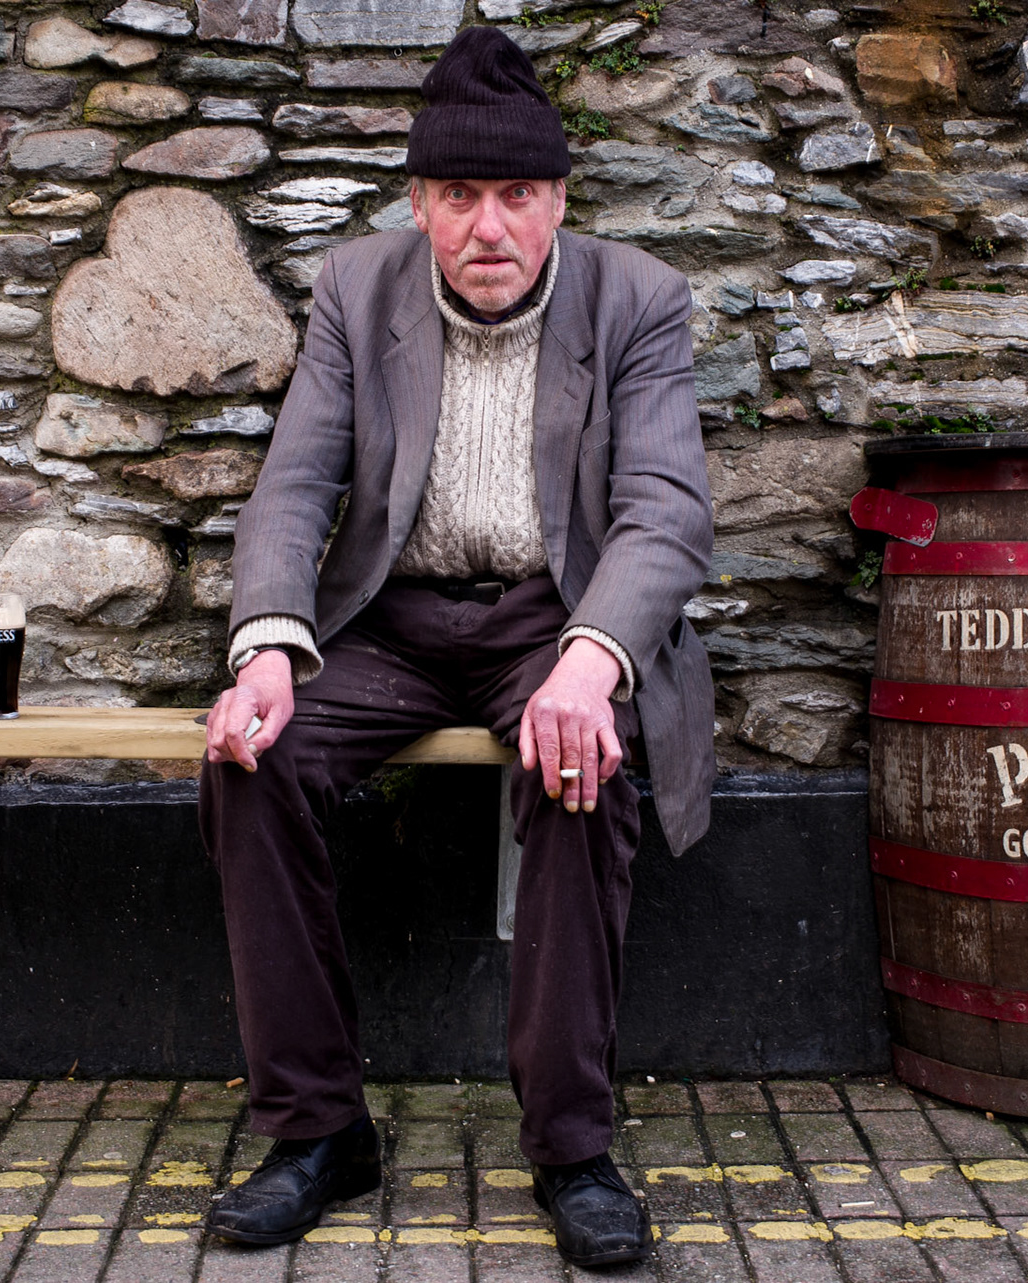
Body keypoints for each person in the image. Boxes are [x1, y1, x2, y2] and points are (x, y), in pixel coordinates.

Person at [196, 24, 714, 1269]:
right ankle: (318, 1131)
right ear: (419, 203)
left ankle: (572, 1147)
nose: (492, 226)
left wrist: (591, 663)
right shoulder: (356, 287)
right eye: (461, 195)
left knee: (581, 767)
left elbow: (666, 508)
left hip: (558, 612)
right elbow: (296, 486)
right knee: (250, 757)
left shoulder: (636, 297)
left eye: (518, 195)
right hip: (394, 619)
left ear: (558, 202)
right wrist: (266, 648)